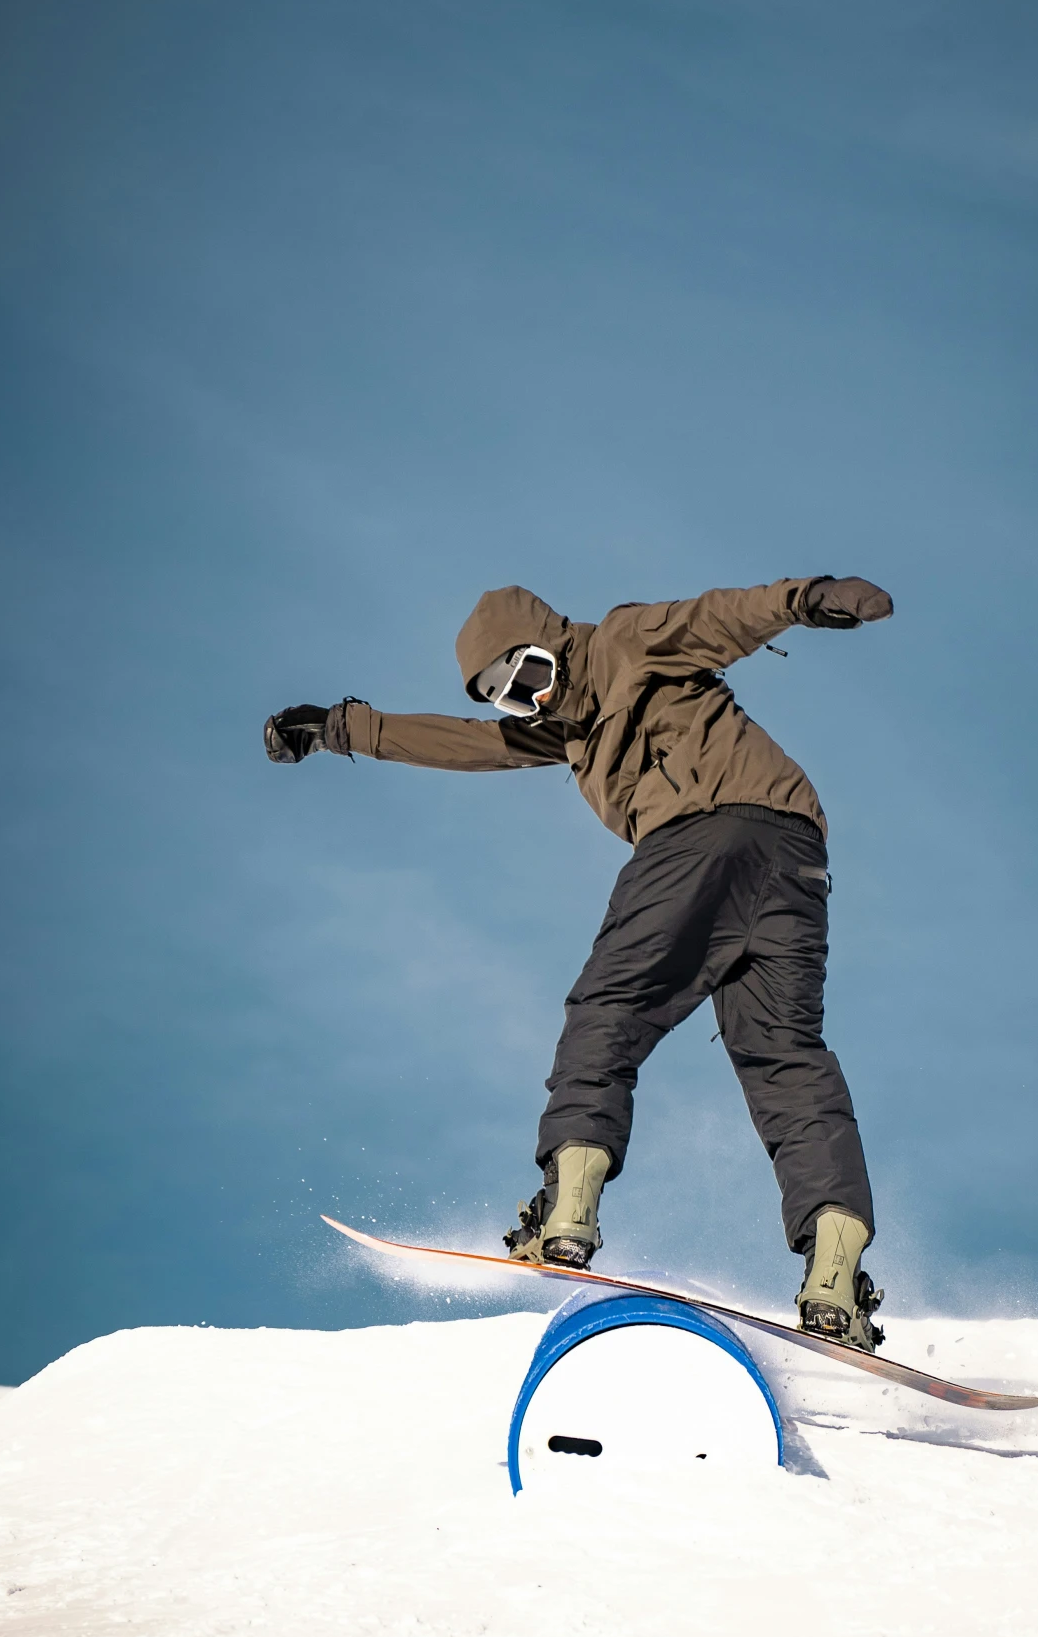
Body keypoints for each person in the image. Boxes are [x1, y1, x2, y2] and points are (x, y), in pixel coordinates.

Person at [264, 574, 894, 1351]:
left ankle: (568, 1205)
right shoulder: (568, 728)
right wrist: (338, 728)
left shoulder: (626, 641)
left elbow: (716, 619)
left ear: (553, 641)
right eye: (506, 696)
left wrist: (805, 599)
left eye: (527, 674)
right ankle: (834, 1274)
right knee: (784, 1058)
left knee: (609, 1010)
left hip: (703, 839)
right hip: (793, 861)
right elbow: (466, 745)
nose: (528, 700)